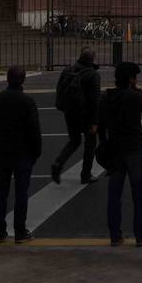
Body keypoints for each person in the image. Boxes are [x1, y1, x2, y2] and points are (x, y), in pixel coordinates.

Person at [98, 60, 142, 247]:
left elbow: (100, 124)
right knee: (139, 194)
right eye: (135, 77)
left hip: (115, 148)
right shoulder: (134, 96)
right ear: (131, 79)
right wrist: (138, 91)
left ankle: (115, 235)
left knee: (114, 194)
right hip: (134, 148)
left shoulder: (106, 97)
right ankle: (141, 236)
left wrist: (104, 143)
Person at [0, 64, 41, 243]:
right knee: (21, 194)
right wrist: (36, 153)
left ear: (7, 79)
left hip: (1, 153)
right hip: (23, 154)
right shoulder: (28, 102)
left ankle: (0, 230)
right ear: (23, 80)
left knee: (1, 192)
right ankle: (20, 230)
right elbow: (34, 131)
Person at [50, 48, 101, 185]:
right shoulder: (93, 75)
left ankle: (58, 163)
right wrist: (95, 122)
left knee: (74, 140)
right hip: (86, 115)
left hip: (70, 112)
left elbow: (59, 88)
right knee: (90, 144)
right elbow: (95, 101)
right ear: (92, 60)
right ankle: (85, 174)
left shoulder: (68, 70)